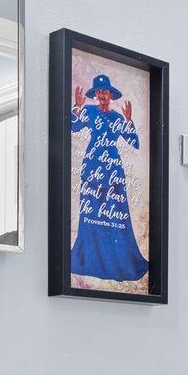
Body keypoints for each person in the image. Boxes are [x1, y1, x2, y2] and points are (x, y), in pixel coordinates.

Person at [67, 72, 150, 283]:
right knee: (92, 211)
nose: (102, 95)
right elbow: (71, 126)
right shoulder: (88, 111)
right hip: (92, 165)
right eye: (99, 92)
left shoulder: (117, 117)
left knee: (116, 215)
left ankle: (120, 261)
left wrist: (129, 121)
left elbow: (134, 143)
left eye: (105, 92)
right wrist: (76, 107)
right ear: (95, 94)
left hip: (113, 169)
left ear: (111, 95)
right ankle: (90, 260)